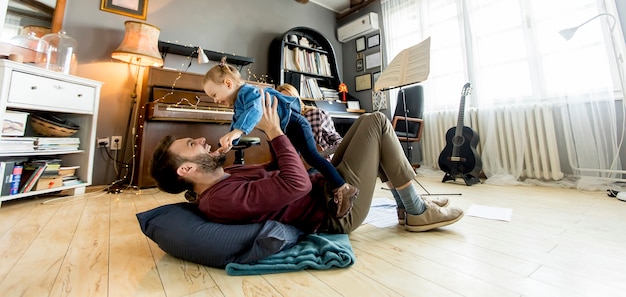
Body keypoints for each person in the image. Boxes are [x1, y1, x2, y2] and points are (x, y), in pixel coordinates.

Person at [151, 90, 464, 233]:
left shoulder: (225, 177)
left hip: (328, 188)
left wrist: (282, 130)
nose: (203, 141)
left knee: (367, 126)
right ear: (187, 170)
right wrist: (274, 132)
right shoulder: (220, 200)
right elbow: (296, 182)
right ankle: (416, 211)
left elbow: (278, 169)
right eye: (194, 145)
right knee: (378, 122)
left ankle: (408, 208)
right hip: (335, 211)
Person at [201, 58, 358, 218]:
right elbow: (236, 121)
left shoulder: (247, 92)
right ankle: (304, 193)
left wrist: (238, 132)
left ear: (228, 84)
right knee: (281, 163)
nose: (215, 100)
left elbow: (255, 110)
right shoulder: (238, 101)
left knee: (312, 156)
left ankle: (343, 187)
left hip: (295, 123)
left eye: (214, 94)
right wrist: (230, 141)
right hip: (284, 128)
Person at [276, 83, 342, 158]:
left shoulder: (316, 114)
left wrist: (322, 155)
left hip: (318, 165)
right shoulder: (279, 122)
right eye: (282, 101)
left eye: (290, 98)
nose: (287, 103)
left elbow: (338, 142)